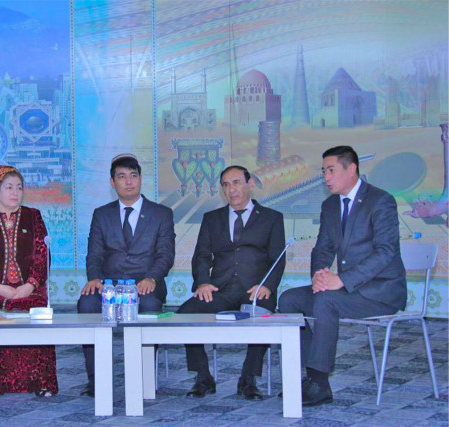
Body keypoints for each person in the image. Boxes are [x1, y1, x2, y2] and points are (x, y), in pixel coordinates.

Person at [278, 145, 406, 406]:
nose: (326, 177)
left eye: (331, 170)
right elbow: (323, 248)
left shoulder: (380, 201)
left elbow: (385, 252)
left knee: (327, 301)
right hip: (347, 291)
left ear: (352, 169)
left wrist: (342, 280)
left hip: (379, 292)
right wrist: (319, 275)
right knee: (289, 300)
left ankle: (318, 381)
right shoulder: (330, 205)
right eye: (323, 171)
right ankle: (314, 379)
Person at [179, 165, 285, 400]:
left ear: (250, 184)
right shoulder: (212, 219)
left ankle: (248, 379)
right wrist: (202, 283)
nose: (231, 189)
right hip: (220, 289)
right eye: (226, 185)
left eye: (236, 182)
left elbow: (278, 257)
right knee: (186, 314)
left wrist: (268, 285)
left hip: (256, 289)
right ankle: (203, 376)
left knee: (262, 315)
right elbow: (201, 256)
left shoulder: (272, 218)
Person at [77, 153, 175, 397]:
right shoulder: (102, 214)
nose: (128, 181)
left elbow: (165, 255)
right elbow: (94, 253)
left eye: (133, 175)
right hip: (109, 285)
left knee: (150, 304)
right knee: (87, 303)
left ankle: (141, 376)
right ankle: (97, 379)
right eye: (121, 176)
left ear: (140, 179)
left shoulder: (161, 213)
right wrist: (94, 278)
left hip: (146, 283)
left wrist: (152, 278)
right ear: (113, 183)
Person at [0, 165, 58, 397]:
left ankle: (41, 382)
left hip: (30, 287)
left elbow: (43, 255)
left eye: (19, 187)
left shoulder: (33, 216)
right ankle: (0, 383)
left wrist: (29, 285)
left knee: (34, 308)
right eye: (9, 187)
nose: (15, 192)